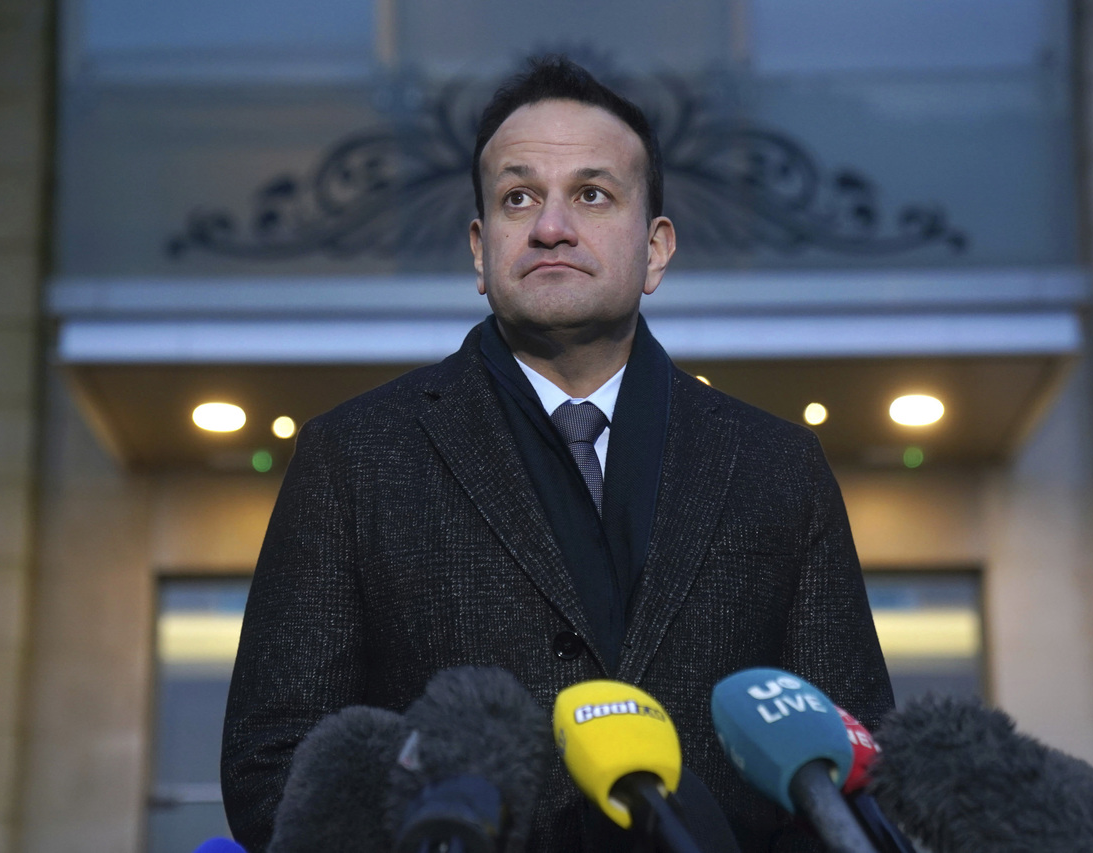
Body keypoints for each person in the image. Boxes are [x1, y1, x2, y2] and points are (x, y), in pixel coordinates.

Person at [222, 55, 893, 852]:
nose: (550, 226)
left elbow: (853, 771)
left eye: (592, 194)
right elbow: (275, 767)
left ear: (656, 249)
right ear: (480, 250)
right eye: (518, 197)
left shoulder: (778, 465)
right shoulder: (353, 455)